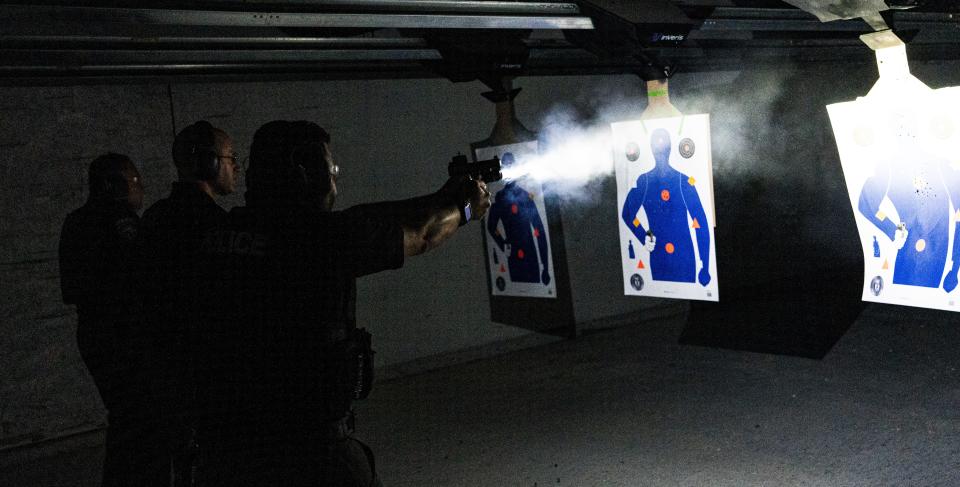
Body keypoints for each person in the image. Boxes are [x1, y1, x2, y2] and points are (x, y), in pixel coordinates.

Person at [197, 120, 490, 486]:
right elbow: (423, 234)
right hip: (309, 448)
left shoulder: (225, 231)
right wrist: (464, 209)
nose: (335, 176)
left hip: (235, 442)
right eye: (330, 167)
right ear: (303, 172)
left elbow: (367, 218)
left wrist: (440, 195)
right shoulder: (318, 239)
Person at [136, 120, 239, 486]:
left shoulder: (154, 218)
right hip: (206, 367)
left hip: (163, 363)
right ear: (210, 164)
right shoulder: (216, 225)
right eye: (230, 158)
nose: (235, 167)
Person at [58, 152, 145, 486]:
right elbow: (141, 276)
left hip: (93, 332)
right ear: (114, 185)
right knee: (137, 419)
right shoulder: (120, 221)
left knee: (123, 416)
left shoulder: (75, 221)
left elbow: (73, 289)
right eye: (134, 180)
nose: (140, 188)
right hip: (123, 334)